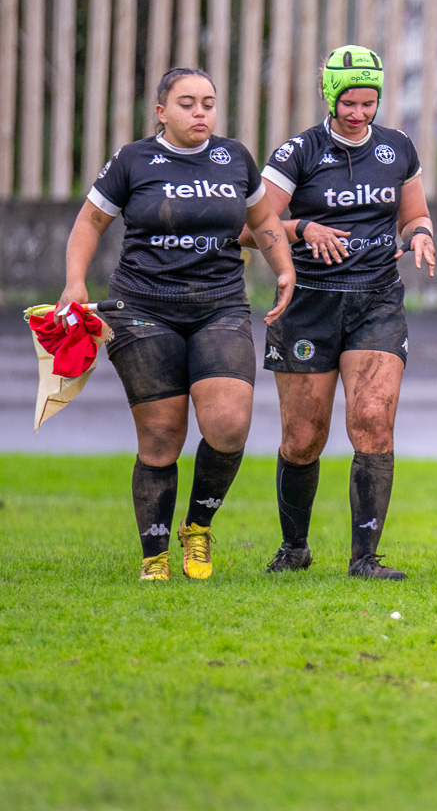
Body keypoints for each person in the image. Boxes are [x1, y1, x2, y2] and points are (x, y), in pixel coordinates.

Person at [59, 67, 295, 580]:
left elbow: (263, 222)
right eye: (187, 103)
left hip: (220, 305)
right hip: (143, 307)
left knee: (229, 425)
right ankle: (155, 555)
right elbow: (90, 222)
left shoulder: (235, 158)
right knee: (162, 435)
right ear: (162, 111)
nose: (200, 113)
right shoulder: (133, 160)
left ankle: (199, 528)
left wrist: (284, 269)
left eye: (208, 103)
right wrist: (76, 283)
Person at [256, 46, 434, 580]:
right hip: (308, 302)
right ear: (329, 97)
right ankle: (294, 548)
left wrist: (420, 233)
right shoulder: (298, 153)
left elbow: (414, 213)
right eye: (348, 103)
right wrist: (303, 229)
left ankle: (365, 559)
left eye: (369, 102)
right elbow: (251, 227)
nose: (358, 113)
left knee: (373, 422)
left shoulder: (397, 147)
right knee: (303, 437)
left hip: (376, 298)